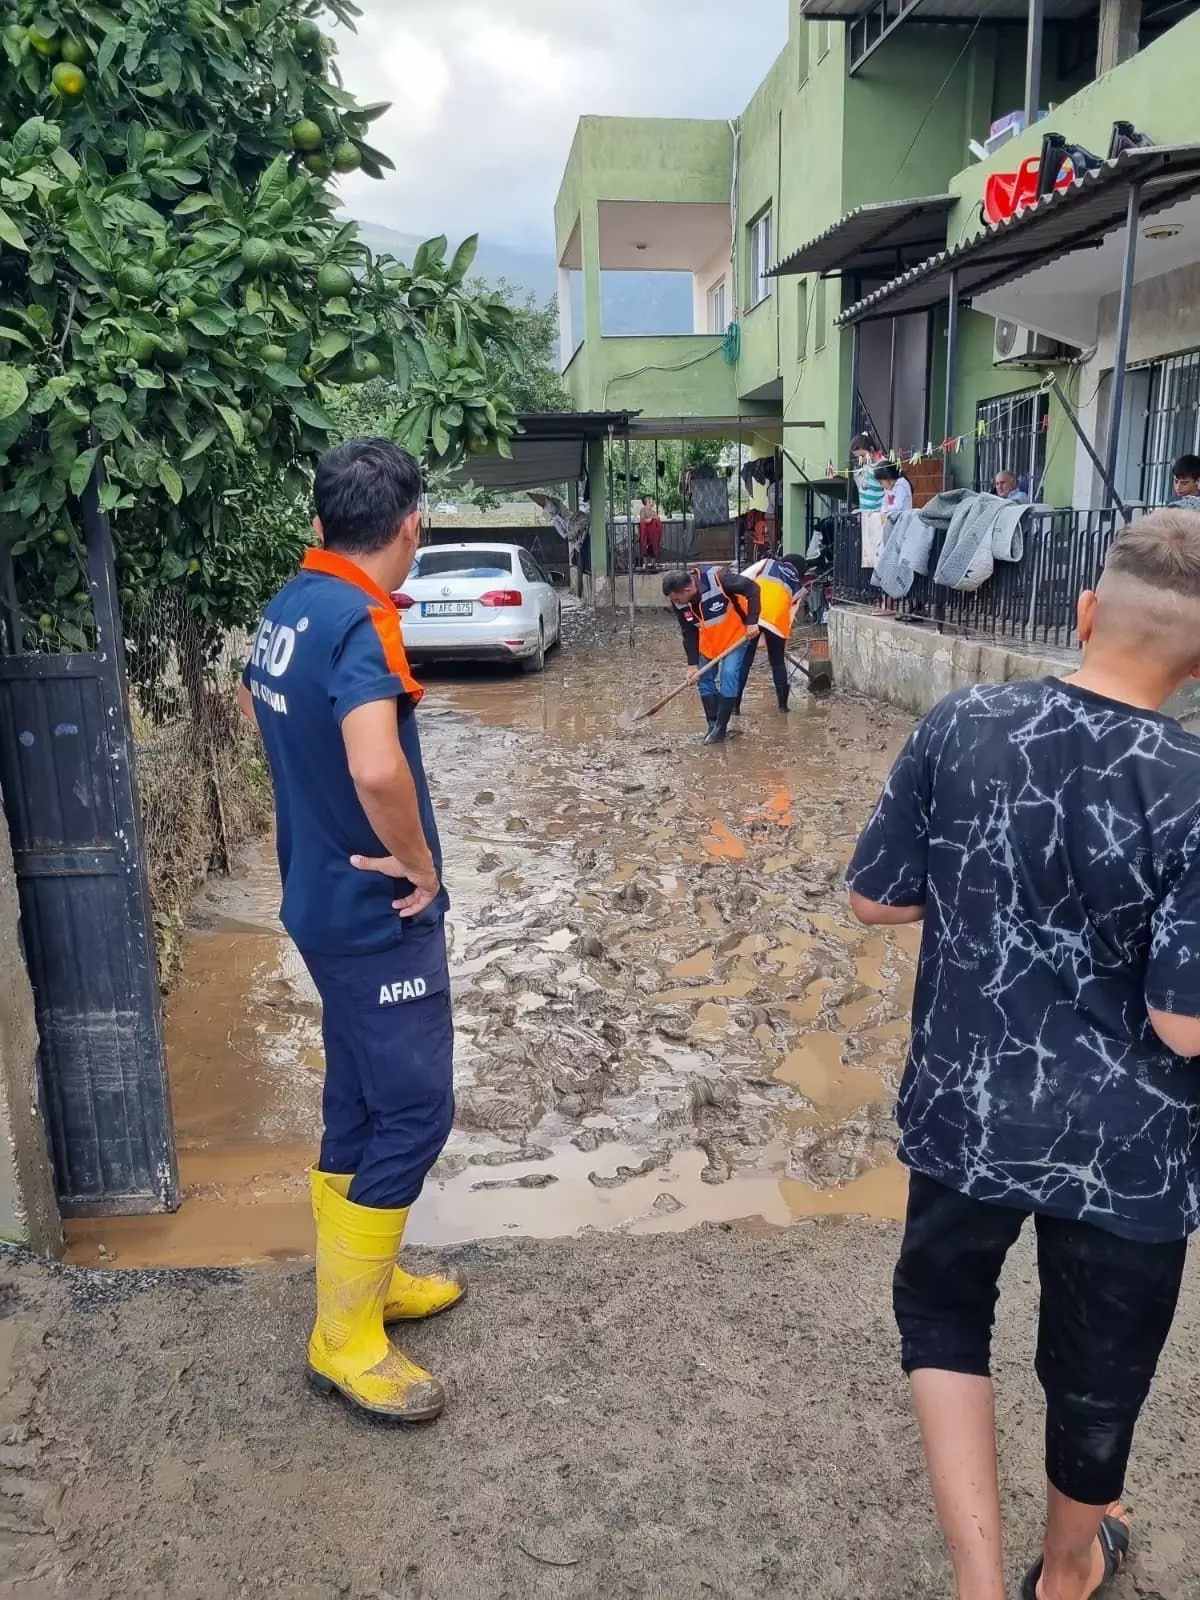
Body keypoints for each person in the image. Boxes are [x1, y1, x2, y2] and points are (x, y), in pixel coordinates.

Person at [846, 508, 1200, 1600]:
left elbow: (874, 897)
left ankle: (977, 1580)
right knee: (1097, 1369)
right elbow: (1185, 1020)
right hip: (1128, 1147)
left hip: (968, 1107)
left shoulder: (961, 725)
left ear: (1088, 613)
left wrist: (987, 891)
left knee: (946, 1312)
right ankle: (1066, 1566)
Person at [239, 438, 463, 1424]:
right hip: (377, 915)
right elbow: (377, 767)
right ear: (409, 526)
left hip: (314, 898)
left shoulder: (292, 603)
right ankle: (343, 1335)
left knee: (359, 1095)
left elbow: (269, 720)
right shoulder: (362, 621)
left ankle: (361, 1284)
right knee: (415, 1109)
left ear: (320, 522)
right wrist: (420, 865)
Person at [662, 563, 760, 745]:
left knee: (729, 675)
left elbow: (752, 588)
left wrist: (753, 622)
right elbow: (689, 632)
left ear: (688, 588)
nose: (676, 603)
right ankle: (712, 725)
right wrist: (692, 665)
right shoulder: (679, 602)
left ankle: (721, 729)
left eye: (677, 599)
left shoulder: (719, 578)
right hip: (707, 642)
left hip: (734, 636)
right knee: (704, 680)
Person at [735, 553, 806, 714]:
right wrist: (778, 639)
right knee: (777, 661)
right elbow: (790, 615)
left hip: (753, 615)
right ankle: (783, 707)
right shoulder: (799, 587)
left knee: (745, 661)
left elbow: (741, 580)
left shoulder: (767, 563)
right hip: (776, 623)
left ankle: (735, 707)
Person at [851, 432, 885, 513]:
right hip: (866, 515)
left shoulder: (883, 466)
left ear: (871, 449)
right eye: (858, 457)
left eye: (862, 455)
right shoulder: (866, 465)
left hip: (878, 516)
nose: (861, 459)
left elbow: (889, 494)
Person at [638, 495, 665, 566]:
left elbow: (657, 519)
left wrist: (655, 519)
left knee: (653, 550)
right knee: (645, 550)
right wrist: (650, 519)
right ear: (647, 501)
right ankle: (645, 565)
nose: (653, 501)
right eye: (651, 500)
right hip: (646, 534)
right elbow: (643, 520)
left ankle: (653, 565)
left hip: (654, 535)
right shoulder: (643, 510)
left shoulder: (653, 511)